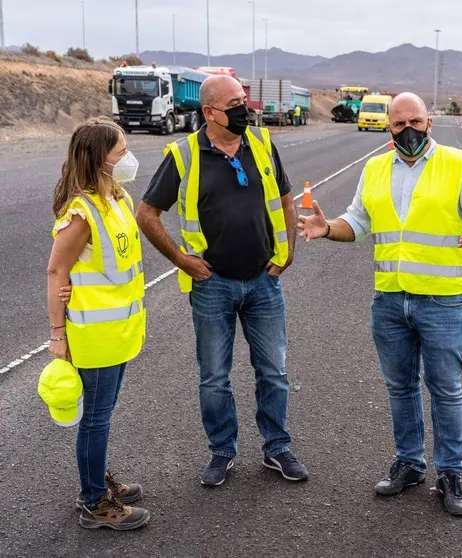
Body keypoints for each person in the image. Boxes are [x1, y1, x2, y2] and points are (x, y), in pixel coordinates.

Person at [297, 92, 462, 516]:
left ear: (428, 122)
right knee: (400, 387)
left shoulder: (457, 164)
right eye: (399, 124)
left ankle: (450, 472)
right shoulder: (375, 168)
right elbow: (358, 221)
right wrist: (328, 228)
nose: (408, 130)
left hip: (442, 302)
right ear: (388, 127)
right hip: (390, 300)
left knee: (445, 390)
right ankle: (410, 463)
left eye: (415, 121)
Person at [135, 74, 306, 487]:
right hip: (213, 285)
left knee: (274, 371)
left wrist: (288, 253)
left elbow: (284, 198)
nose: (242, 109)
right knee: (214, 375)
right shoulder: (184, 155)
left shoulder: (262, 144)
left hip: (264, 281)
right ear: (209, 112)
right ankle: (222, 452)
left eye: (243, 101)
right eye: (233, 103)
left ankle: (277, 447)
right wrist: (181, 260)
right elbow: (146, 214)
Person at [47, 117, 150, 530]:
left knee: (102, 415)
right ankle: (93, 502)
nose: (127, 158)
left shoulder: (117, 198)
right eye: (120, 152)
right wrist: (57, 335)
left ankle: (96, 480)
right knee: (95, 419)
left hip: (119, 332)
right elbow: (57, 271)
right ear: (97, 159)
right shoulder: (81, 211)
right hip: (94, 335)